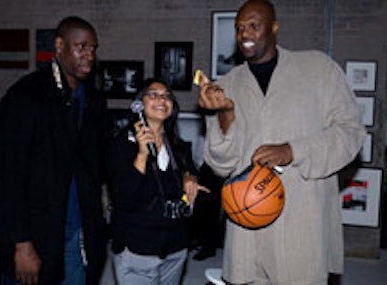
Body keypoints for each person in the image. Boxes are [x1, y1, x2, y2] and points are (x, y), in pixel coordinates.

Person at [196, 0, 367, 284]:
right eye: (239, 28)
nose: (245, 34)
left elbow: (351, 132)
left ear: (274, 28)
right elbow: (220, 165)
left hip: (302, 219)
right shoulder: (226, 86)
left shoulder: (318, 69)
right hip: (247, 225)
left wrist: (293, 151)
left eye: (254, 25)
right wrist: (225, 115)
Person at [0, 16, 107, 285]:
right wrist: (21, 244)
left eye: (93, 49)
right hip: (34, 235)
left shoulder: (94, 101)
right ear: (59, 45)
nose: (89, 55)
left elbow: (100, 163)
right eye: (81, 47)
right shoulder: (26, 96)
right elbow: (4, 176)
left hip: (78, 233)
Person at [106, 78, 209, 284]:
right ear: (139, 103)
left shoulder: (179, 148)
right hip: (137, 250)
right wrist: (142, 156)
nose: (161, 99)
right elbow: (124, 199)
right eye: (153, 94)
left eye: (167, 96)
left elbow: (191, 175)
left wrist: (190, 176)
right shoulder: (120, 145)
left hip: (175, 249)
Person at [190, 161, 226, 261]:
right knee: (196, 205)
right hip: (196, 166)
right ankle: (196, 240)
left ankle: (209, 246)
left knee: (209, 208)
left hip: (214, 167)